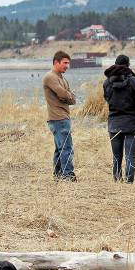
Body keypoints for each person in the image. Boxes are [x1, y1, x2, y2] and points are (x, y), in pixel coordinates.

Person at [102, 54, 135, 183]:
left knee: (116, 157)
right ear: (128, 65)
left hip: (114, 125)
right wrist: (134, 104)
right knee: (130, 156)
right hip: (132, 125)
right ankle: (129, 182)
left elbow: (107, 99)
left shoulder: (107, 83)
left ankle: (117, 180)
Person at [43, 51, 77, 180]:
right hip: (58, 118)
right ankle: (67, 175)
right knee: (66, 147)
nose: (67, 66)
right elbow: (64, 95)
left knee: (59, 148)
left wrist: (67, 96)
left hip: (61, 117)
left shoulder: (62, 78)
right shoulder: (50, 77)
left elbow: (73, 99)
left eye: (68, 63)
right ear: (56, 62)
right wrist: (66, 96)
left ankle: (58, 175)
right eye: (65, 63)